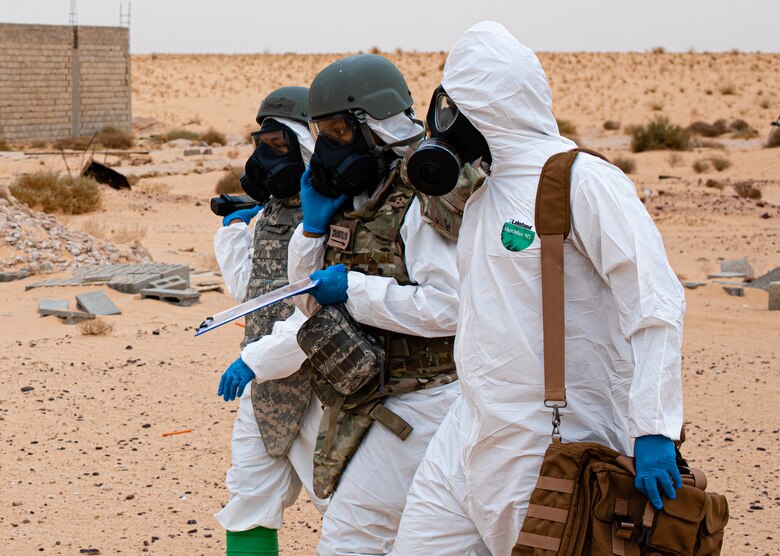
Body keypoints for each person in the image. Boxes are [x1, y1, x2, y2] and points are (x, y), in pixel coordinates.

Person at [392, 21, 686, 555]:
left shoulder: (586, 182)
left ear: (486, 104)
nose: (444, 122)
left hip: (550, 444)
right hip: (468, 434)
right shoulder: (482, 192)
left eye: (452, 107)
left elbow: (655, 303)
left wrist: (655, 427)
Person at [287, 54, 462, 555]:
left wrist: (357, 293)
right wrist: (313, 228)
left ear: (373, 124)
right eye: (321, 132)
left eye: (339, 131)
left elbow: (450, 307)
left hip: (424, 401)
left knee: (352, 539)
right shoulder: (362, 196)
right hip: (369, 399)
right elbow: (307, 300)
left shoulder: (423, 197)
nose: (328, 147)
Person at [212, 86, 328, 556]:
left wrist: (255, 359)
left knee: (348, 507)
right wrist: (235, 233)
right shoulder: (273, 213)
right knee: (249, 497)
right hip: (266, 386)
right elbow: (250, 293)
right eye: (261, 144)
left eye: (278, 146)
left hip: (324, 383)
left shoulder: (338, 216)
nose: (264, 156)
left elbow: (322, 313)